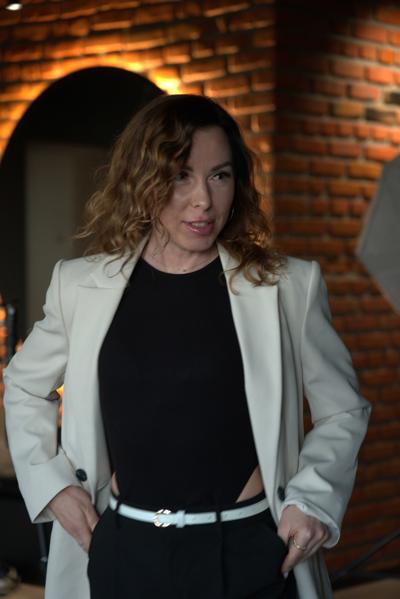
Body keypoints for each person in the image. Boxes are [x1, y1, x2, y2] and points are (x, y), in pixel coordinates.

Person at [3, 94, 370, 599]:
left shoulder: (288, 287)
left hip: (244, 548)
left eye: (219, 176)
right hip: (123, 547)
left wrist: (312, 502)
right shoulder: (81, 285)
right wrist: (54, 487)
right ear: (142, 180)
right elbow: (24, 386)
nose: (203, 200)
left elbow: (343, 409)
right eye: (180, 176)